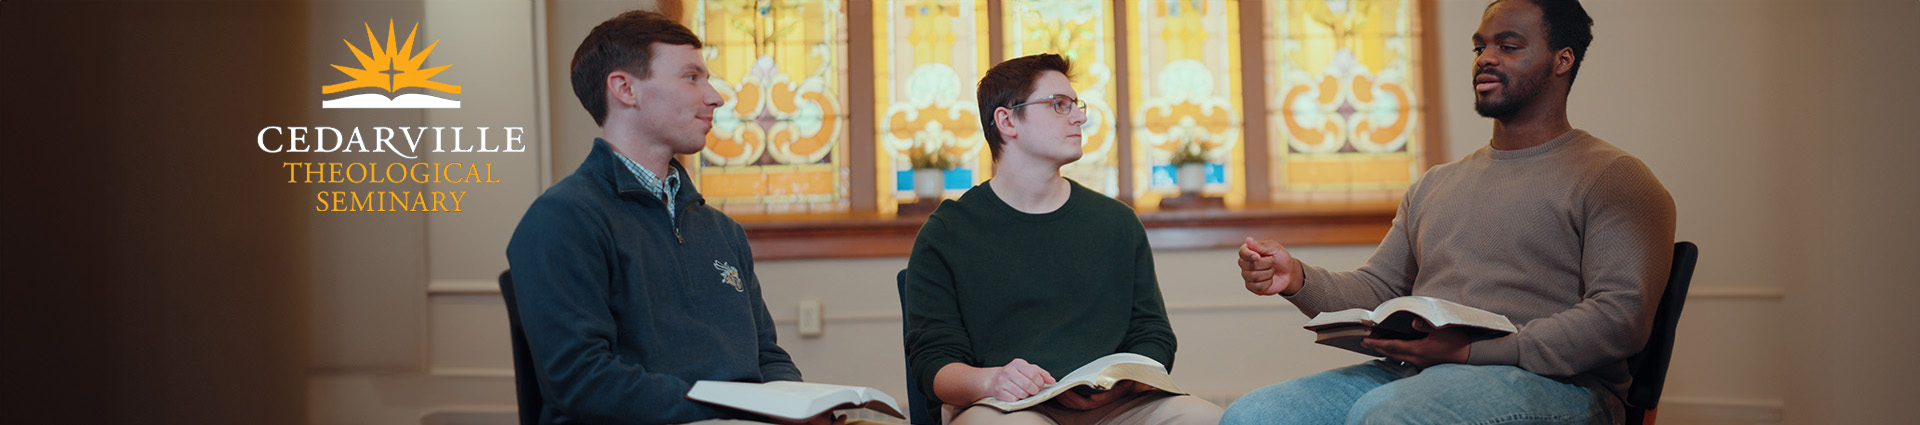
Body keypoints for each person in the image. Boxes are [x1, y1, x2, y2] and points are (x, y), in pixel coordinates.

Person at [1222, 1, 1675, 424]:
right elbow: (1379, 290)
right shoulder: (1435, 184)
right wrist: (1298, 278)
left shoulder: (1615, 177)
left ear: (1563, 60)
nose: (1486, 58)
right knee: (1254, 414)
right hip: (1412, 373)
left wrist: (1469, 353)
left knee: (1389, 414)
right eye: (1481, 46)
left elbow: (1619, 318)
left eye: (1509, 46)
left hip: (1561, 384)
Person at [505, 10, 837, 425]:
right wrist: (738, 409)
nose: (715, 96)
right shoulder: (562, 219)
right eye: (692, 77)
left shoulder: (722, 231)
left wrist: (798, 407)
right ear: (625, 89)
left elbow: (766, 357)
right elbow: (583, 381)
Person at [903, 53, 1224, 425]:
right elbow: (933, 364)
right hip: (1005, 405)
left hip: (1119, 405)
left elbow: (1152, 334)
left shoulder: (1117, 222)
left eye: (1076, 104)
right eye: (1059, 105)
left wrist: (1121, 384)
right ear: (1006, 121)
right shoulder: (946, 233)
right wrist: (994, 379)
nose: (1080, 116)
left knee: (1210, 419)